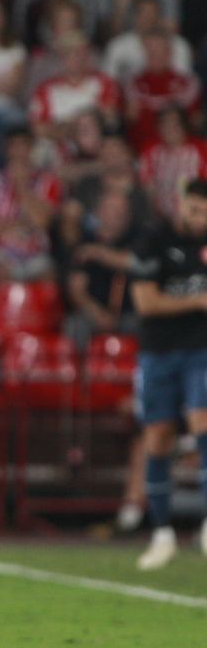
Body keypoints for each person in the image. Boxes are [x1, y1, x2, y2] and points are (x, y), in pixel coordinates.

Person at [129, 178, 207, 571]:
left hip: (202, 349)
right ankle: (162, 533)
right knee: (158, 437)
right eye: (195, 210)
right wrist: (197, 300)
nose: (201, 219)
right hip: (158, 352)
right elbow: (145, 302)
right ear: (181, 205)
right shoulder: (153, 240)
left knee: (203, 420)